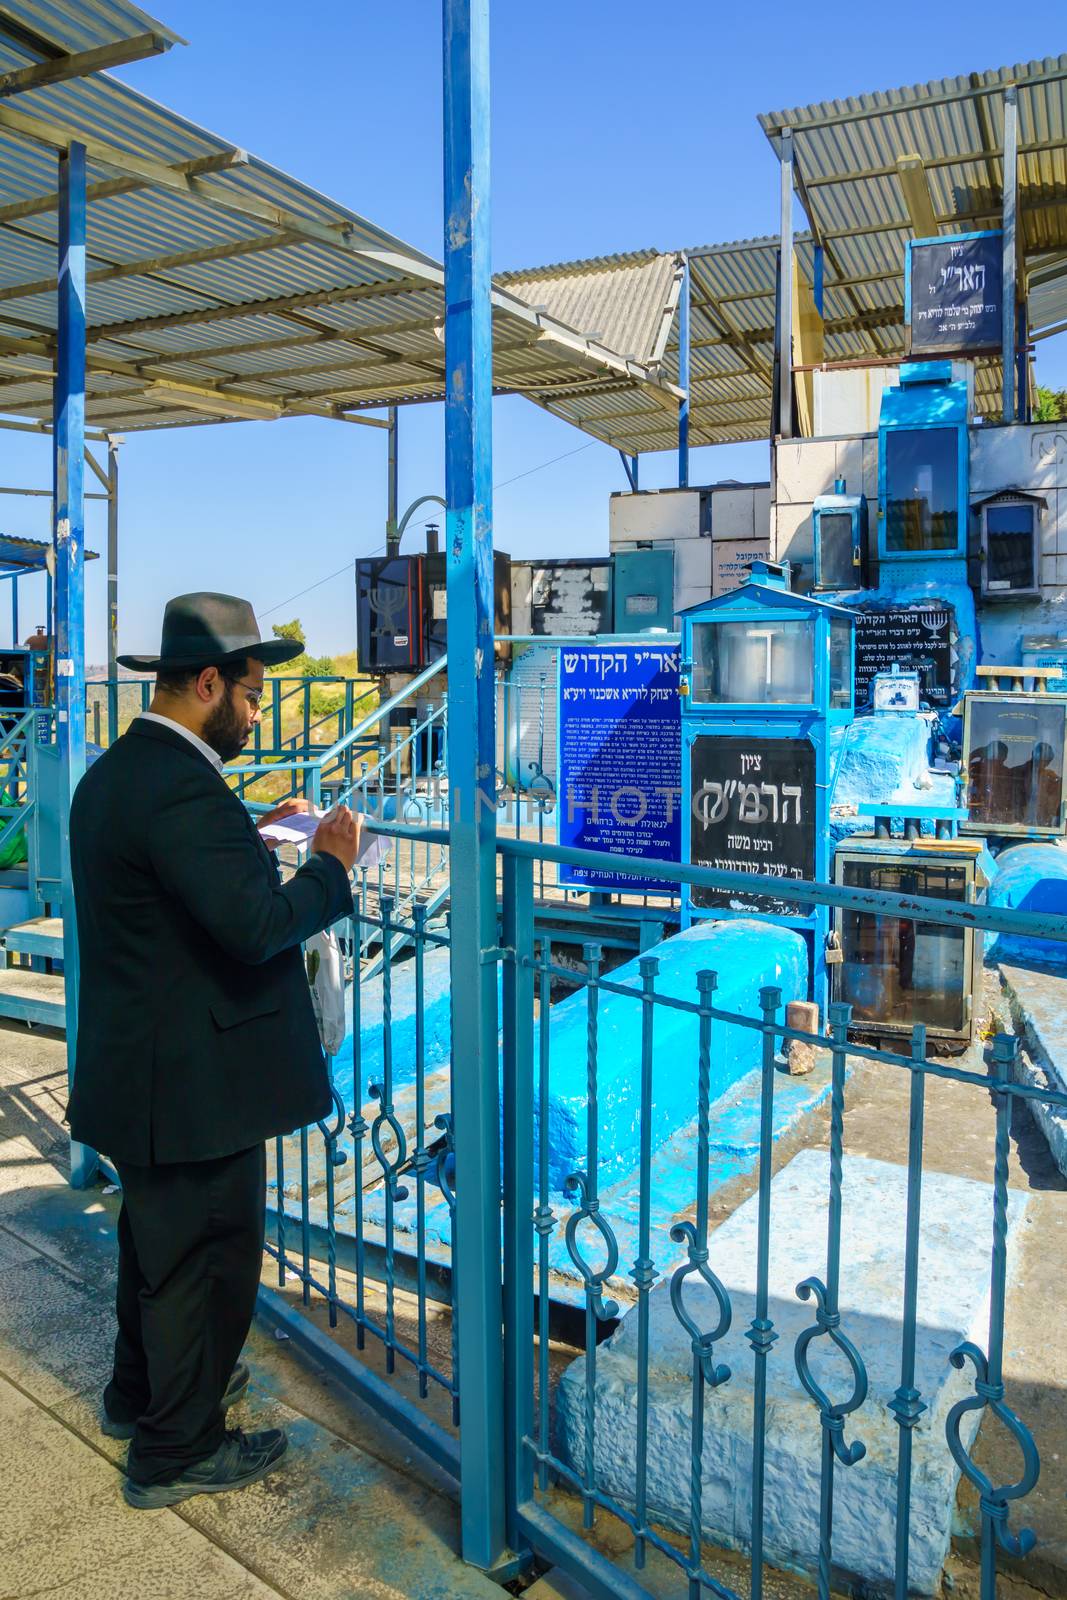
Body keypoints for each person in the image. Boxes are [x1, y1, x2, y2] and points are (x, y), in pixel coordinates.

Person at [66, 592, 360, 1510]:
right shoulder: (179, 788)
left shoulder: (123, 772)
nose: (257, 712)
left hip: (144, 1068)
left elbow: (188, 884)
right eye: (252, 695)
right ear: (207, 684)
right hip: (194, 1085)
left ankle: (141, 1399)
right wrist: (330, 865)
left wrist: (259, 826)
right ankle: (177, 1450)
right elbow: (254, 924)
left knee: (155, 1251)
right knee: (207, 1262)